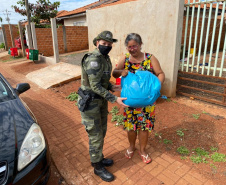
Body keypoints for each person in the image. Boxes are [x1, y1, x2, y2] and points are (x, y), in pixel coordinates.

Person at [77, 30, 128, 182]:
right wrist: (115, 99)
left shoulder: (105, 58)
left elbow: (102, 82)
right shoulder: (93, 59)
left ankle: (98, 158)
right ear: (97, 43)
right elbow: (94, 86)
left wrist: (112, 87)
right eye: (104, 43)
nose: (107, 46)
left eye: (109, 44)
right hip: (90, 103)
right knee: (95, 135)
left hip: (100, 102)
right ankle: (97, 167)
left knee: (102, 132)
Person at [112, 33, 165, 164]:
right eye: (129, 47)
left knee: (144, 128)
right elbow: (114, 73)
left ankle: (142, 150)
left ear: (140, 45)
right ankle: (131, 146)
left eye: (134, 46)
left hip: (147, 102)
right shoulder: (124, 58)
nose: (132, 49)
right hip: (129, 102)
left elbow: (160, 73)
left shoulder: (150, 58)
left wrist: (156, 89)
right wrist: (121, 72)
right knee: (130, 127)